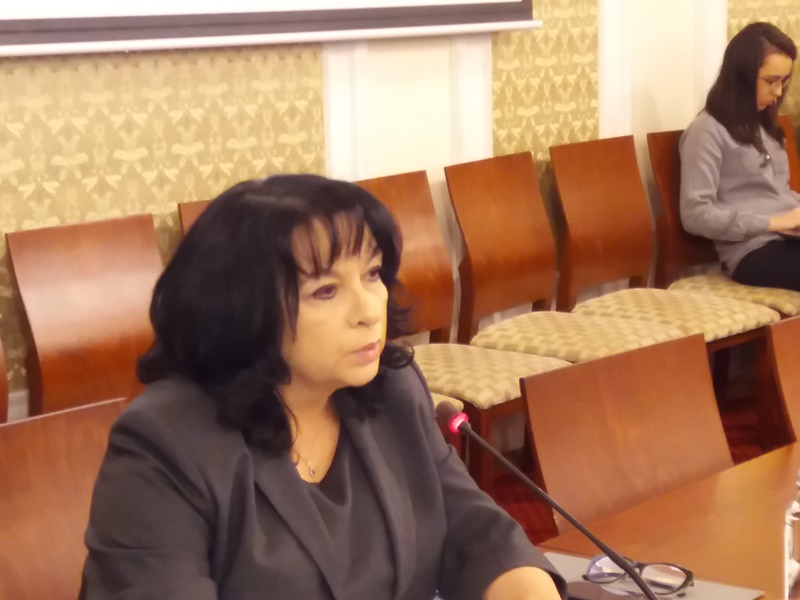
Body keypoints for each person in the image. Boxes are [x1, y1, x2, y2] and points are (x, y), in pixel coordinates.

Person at [78, 174, 567, 600]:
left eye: (372, 274)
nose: (369, 309)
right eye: (325, 291)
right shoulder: (165, 442)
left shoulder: (392, 390)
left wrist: (528, 589)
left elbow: (475, 533)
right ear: (244, 310)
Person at [680, 21, 800, 291]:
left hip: (788, 239)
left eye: (783, 82)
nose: (778, 92)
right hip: (754, 252)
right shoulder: (707, 130)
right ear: (742, 75)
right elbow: (695, 214)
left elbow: (778, 195)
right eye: (771, 81)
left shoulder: (766, 127)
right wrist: (772, 223)